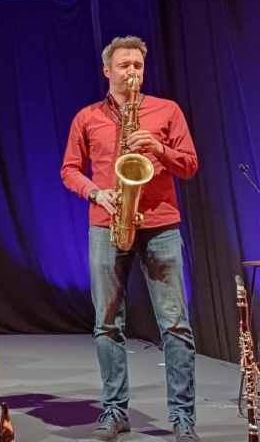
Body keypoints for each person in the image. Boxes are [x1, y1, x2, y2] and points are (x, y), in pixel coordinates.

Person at [61, 36, 199, 442]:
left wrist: (159, 148)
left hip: (161, 225)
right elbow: (69, 170)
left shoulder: (167, 110)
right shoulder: (86, 117)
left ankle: (183, 418)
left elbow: (190, 165)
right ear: (107, 70)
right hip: (108, 223)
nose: (133, 72)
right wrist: (95, 193)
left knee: (175, 325)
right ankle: (115, 412)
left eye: (138, 65)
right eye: (124, 65)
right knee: (107, 324)